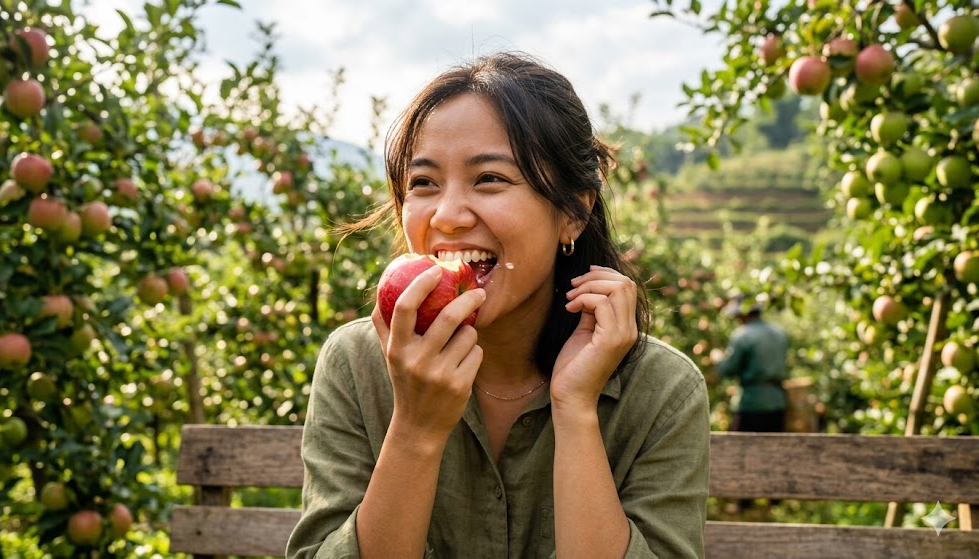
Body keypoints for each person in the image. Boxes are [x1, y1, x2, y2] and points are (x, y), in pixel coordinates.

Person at [286, 51, 710, 559]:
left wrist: (575, 409)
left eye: (489, 179)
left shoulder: (661, 390)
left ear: (573, 212)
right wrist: (416, 431)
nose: (446, 216)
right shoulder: (357, 364)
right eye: (423, 183)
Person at [711, 294, 789, 514]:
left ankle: (744, 500)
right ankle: (775, 500)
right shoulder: (779, 333)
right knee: (774, 449)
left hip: (751, 400)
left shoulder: (742, 336)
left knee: (742, 451)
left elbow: (729, 370)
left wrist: (718, 359)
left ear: (745, 313)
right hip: (777, 399)